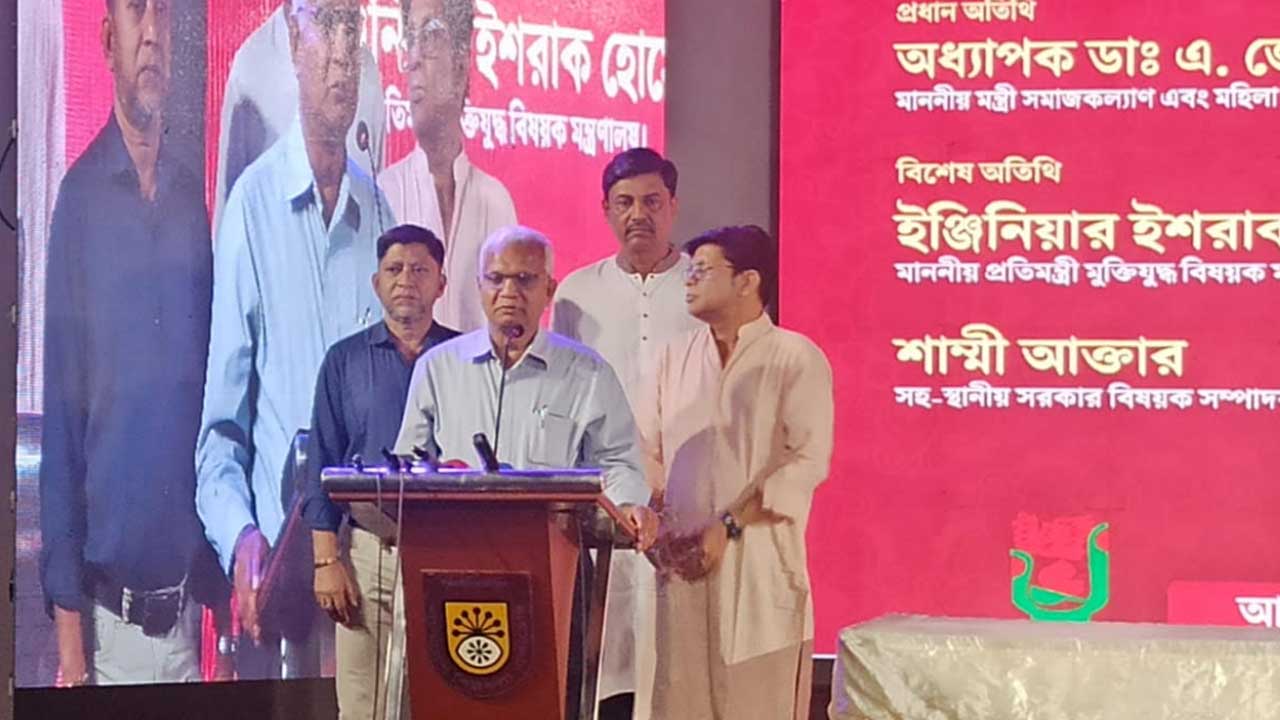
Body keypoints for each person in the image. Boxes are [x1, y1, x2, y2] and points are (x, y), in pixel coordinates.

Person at [196, 0, 390, 662]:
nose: (339, 52)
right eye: (322, 26)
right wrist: (241, 537)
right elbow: (219, 437)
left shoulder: (381, 215)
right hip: (284, 600)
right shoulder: (252, 207)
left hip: (373, 586)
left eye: (350, 27)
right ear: (292, 41)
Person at [40, 0, 212, 685]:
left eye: (164, 16)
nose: (153, 36)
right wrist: (71, 642)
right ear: (109, 41)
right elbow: (62, 418)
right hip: (109, 637)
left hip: (194, 624)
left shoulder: (189, 199)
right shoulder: (79, 202)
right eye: (137, 14)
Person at [639, 226, 833, 720]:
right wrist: (655, 522)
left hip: (759, 565)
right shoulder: (672, 357)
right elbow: (645, 448)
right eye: (689, 271)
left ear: (748, 281)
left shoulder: (795, 357)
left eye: (702, 271)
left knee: (756, 703)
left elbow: (806, 462)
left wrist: (726, 527)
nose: (689, 281)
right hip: (683, 563)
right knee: (680, 702)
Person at [552, 148, 701, 720]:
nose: (638, 214)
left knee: (683, 668)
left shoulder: (702, 285)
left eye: (652, 201)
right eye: (624, 203)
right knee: (609, 668)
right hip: (608, 505)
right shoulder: (575, 293)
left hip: (688, 503)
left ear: (674, 206)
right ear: (606, 210)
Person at [394, 225, 657, 540]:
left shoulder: (588, 373)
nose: (509, 292)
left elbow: (617, 462)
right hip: (455, 542)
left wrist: (627, 504)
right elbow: (409, 462)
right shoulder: (438, 366)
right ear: (479, 286)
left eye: (524, 279)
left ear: (549, 289)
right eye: (496, 279)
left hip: (551, 545)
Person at [299, 225, 459, 719]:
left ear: (442, 283)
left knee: (444, 700)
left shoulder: (464, 358)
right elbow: (322, 461)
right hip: (369, 553)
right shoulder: (344, 360)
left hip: (448, 553)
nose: (406, 280)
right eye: (394, 269)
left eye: (419, 270)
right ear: (376, 283)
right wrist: (327, 561)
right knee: (363, 707)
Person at [380, 0, 517, 332]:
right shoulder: (383, 192)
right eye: (410, 39)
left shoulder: (495, 200)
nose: (414, 58)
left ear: (460, 64)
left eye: (430, 36)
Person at [211, 0, 385, 237]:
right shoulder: (251, 69)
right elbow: (229, 224)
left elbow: (377, 204)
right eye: (325, 20)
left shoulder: (367, 72)